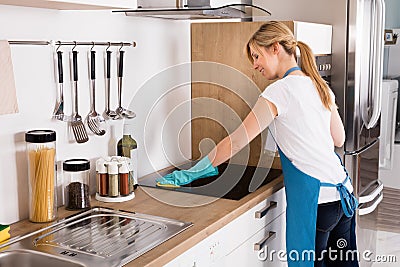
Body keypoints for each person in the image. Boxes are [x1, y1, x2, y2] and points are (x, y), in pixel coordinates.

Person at [156, 21, 358, 267]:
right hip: (343, 197)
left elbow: (237, 141)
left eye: (256, 55)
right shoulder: (318, 84)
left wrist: (191, 172)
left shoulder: (278, 92)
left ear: (275, 48)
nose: (255, 65)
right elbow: (339, 139)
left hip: (314, 203)